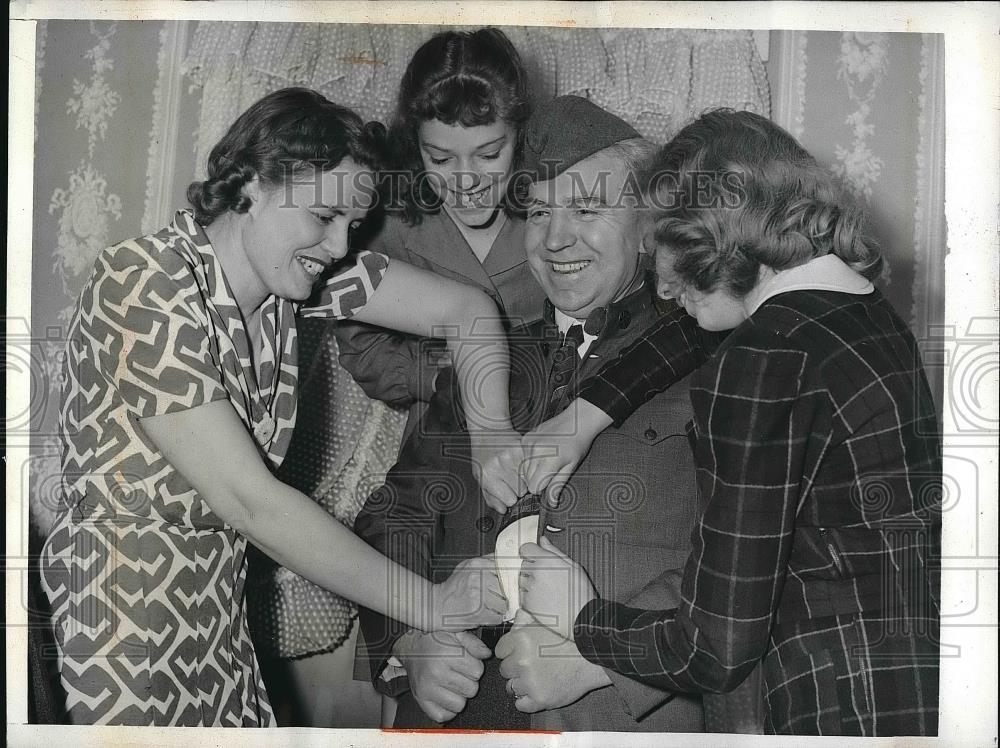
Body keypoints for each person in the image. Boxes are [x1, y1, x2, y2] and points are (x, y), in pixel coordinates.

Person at [39, 87, 514, 727]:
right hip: (118, 616)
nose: (341, 245)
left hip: (216, 616)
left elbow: (469, 312)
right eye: (323, 215)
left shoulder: (294, 288)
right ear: (254, 183)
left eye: (352, 223)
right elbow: (248, 500)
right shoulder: (142, 281)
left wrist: (491, 439)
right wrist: (428, 604)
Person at [517, 109, 942, 736]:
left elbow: (712, 648)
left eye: (669, 245)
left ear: (713, 237)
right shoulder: (864, 316)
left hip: (831, 711)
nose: (662, 287)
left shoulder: (757, 362)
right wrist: (585, 415)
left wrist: (583, 619)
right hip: (916, 692)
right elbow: (688, 338)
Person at [354, 95, 708, 732]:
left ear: (647, 224)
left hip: (616, 716)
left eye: (587, 208)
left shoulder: (711, 352)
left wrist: (606, 660)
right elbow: (396, 515)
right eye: (539, 212)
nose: (556, 237)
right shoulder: (484, 358)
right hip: (446, 716)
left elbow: (755, 553)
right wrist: (411, 635)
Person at [332, 28, 547, 475]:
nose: (466, 181)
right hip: (441, 446)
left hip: (557, 432)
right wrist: (446, 377)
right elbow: (364, 351)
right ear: (415, 147)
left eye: (489, 155)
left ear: (522, 137)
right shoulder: (385, 223)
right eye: (442, 160)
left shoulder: (556, 206)